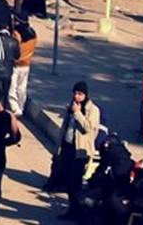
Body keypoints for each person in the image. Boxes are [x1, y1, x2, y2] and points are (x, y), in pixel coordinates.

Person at [56, 81, 101, 219]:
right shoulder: (72, 106)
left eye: (80, 94)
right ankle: (71, 209)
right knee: (68, 182)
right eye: (75, 93)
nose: (76, 96)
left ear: (85, 95)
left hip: (80, 151)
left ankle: (77, 211)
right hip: (68, 148)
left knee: (75, 182)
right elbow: (65, 127)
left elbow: (88, 128)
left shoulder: (92, 110)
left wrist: (77, 113)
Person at [8, 17, 37, 117]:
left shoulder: (16, 34)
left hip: (16, 65)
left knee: (12, 88)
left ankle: (15, 108)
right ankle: (21, 107)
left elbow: (13, 48)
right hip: (26, 65)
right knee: (22, 88)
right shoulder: (33, 34)